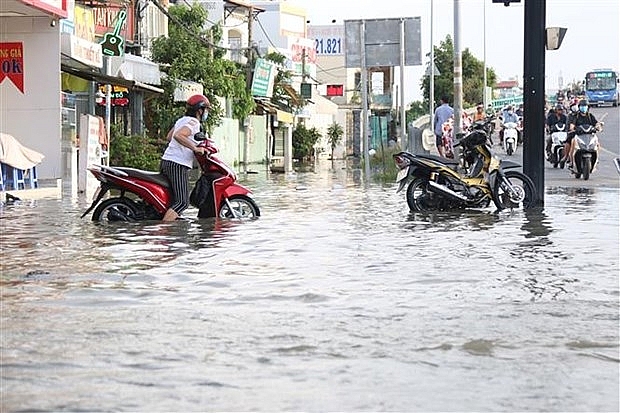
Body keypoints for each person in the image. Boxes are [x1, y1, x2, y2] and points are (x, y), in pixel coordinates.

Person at [160, 94, 211, 221]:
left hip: (167, 162)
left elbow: (169, 136)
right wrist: (195, 148)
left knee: (172, 200)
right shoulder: (194, 122)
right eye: (206, 110)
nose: (207, 113)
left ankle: (172, 228)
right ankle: (163, 230)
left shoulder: (182, 120)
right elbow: (178, 135)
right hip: (177, 164)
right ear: (200, 110)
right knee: (182, 202)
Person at [566, 99, 601, 168]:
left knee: (597, 144)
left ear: (588, 107)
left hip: (589, 135)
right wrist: (573, 128)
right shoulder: (576, 116)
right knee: (572, 141)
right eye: (582, 106)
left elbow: (596, 124)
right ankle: (571, 160)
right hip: (578, 135)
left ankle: (596, 159)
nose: (584, 107)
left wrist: (598, 127)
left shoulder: (590, 116)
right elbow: (571, 126)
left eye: (585, 106)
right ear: (579, 107)